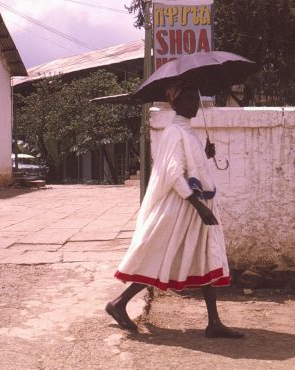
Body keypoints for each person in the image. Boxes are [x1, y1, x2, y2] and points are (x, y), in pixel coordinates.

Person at [105, 81, 243, 339]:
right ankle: (119, 303)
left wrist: (204, 153)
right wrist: (198, 206)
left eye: (195, 99)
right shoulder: (173, 132)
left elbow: (191, 167)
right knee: (160, 256)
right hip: (183, 207)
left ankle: (214, 322)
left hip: (195, 207)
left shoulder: (187, 132)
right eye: (189, 99)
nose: (194, 104)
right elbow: (173, 174)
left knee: (205, 257)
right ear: (176, 103)